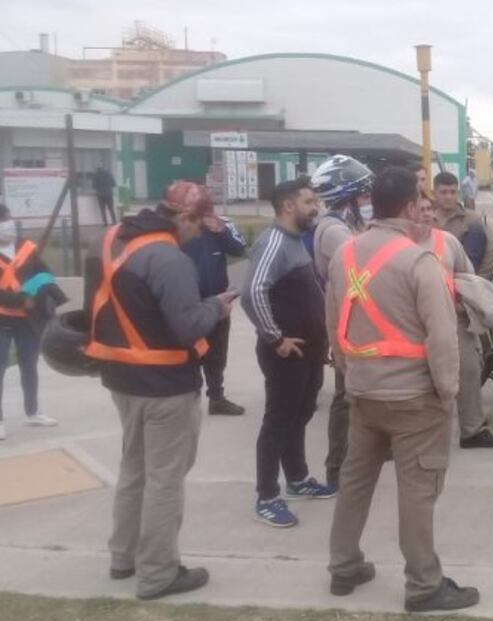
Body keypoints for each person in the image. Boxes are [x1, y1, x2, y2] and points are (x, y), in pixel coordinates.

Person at [327, 167, 479, 612]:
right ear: (411, 206)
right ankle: (424, 584)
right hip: (415, 399)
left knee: (355, 481)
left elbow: (334, 325)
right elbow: (442, 336)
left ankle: (343, 564)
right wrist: (447, 392)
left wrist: (351, 372)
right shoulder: (418, 261)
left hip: (364, 392)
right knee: (417, 491)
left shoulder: (344, 255)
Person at [83, 181, 235, 599]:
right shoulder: (169, 260)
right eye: (199, 226)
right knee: (165, 480)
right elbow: (189, 326)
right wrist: (216, 307)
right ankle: (158, 573)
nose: (200, 236)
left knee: (134, 471)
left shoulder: (111, 239)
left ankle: (123, 557)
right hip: (165, 385)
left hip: (119, 377)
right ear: (185, 217)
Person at [242, 177, 334, 528]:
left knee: (302, 413)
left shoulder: (296, 241)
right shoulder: (273, 243)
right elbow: (253, 292)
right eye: (310, 202)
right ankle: (267, 496)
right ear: (288, 206)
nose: (316, 208)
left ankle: (297, 479)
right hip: (286, 352)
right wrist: (275, 338)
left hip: (308, 350)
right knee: (278, 421)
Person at [418, 195, 493, 449]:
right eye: (421, 209)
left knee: (469, 370)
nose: (426, 214)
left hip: (454, 317)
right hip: (416, 323)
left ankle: (472, 430)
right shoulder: (402, 245)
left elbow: (467, 276)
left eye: (429, 209)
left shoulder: (447, 241)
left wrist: (462, 301)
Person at [311, 155, 374, 490]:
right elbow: (367, 260)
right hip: (345, 323)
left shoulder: (345, 225)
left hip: (354, 320)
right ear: (348, 196)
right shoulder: (333, 230)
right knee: (345, 396)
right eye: (363, 196)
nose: (368, 203)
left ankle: (354, 463)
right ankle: (337, 469)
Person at [0, 205, 64, 440]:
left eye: (8, 218)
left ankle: (32, 411)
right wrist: (19, 301)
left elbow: (44, 275)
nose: (8, 223)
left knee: (29, 366)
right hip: (2, 319)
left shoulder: (26, 248)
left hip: (28, 321)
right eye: (3, 220)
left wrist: (37, 298)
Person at [180, 198, 248, 416]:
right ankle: (187, 400)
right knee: (189, 352)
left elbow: (239, 249)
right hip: (188, 302)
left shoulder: (222, 224)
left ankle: (216, 397)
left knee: (217, 352)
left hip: (219, 302)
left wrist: (220, 229)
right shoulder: (180, 228)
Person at [432, 171, 493, 281]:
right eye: (443, 192)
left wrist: (477, 283)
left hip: (466, 286)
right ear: (434, 193)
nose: (448, 197)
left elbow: (491, 254)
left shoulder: (473, 219)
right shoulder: (426, 220)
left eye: (452, 192)